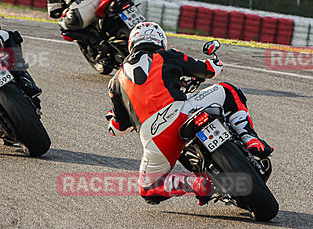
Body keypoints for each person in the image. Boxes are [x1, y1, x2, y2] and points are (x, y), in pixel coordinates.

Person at [106, 21, 273, 205]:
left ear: (132, 43)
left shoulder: (115, 82)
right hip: (182, 112)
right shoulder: (168, 55)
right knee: (227, 90)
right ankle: (250, 138)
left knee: (148, 189)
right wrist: (215, 62)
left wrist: (112, 123)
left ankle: (192, 182)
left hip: (156, 138)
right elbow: (209, 70)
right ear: (160, 41)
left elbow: (119, 127)